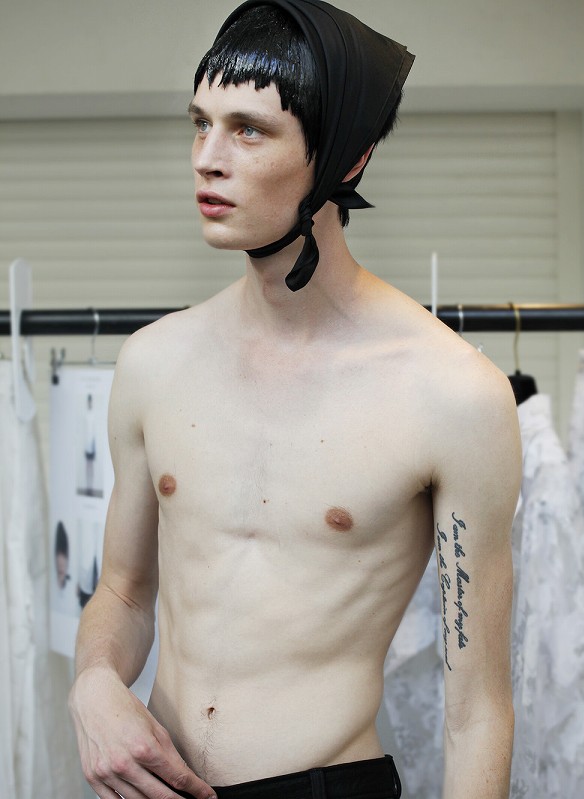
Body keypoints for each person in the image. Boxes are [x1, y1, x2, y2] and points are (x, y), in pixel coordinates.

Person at [68, 2, 522, 798]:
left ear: (348, 157)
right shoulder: (153, 362)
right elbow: (124, 590)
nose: (207, 158)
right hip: (156, 781)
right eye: (201, 123)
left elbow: (476, 710)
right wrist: (95, 680)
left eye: (249, 129)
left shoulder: (453, 394)